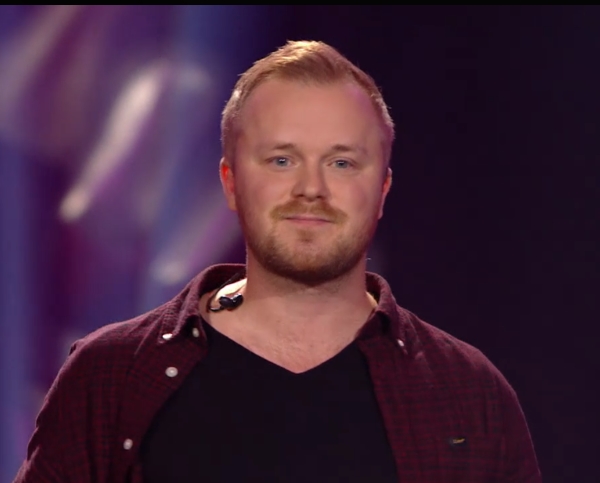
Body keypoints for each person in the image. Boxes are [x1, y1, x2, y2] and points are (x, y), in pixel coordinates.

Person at [14, 40, 541, 483]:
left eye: (341, 162)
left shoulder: (466, 391)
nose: (311, 188)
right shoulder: (111, 375)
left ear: (382, 191)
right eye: (282, 160)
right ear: (230, 182)